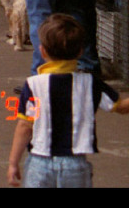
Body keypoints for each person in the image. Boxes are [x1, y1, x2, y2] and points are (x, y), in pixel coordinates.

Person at [7, 14, 129, 188]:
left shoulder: (33, 85)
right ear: (80, 51)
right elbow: (121, 107)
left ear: (43, 51)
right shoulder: (90, 83)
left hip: (39, 162)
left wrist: (13, 162)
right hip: (75, 164)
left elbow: (25, 126)